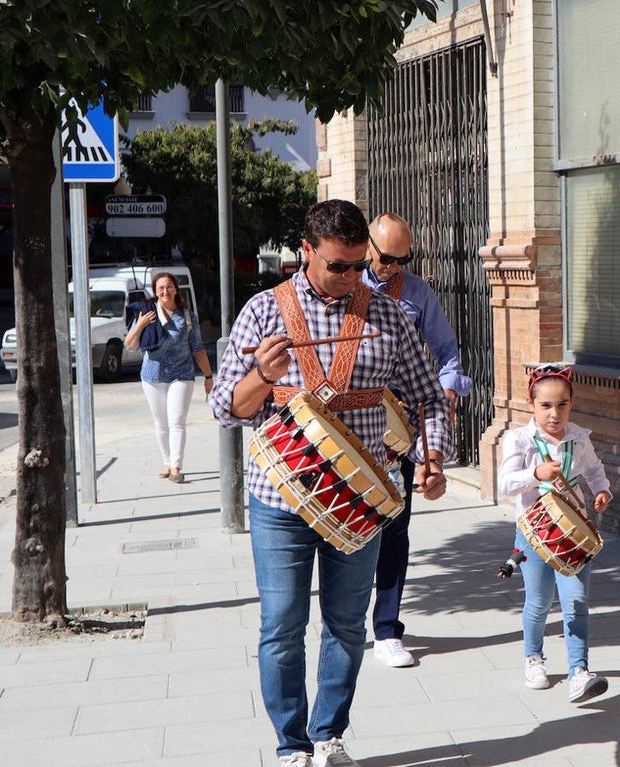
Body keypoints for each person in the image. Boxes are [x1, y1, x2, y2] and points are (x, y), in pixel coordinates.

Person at [208, 199, 452, 767]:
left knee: (346, 623)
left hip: (361, 501)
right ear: (306, 252)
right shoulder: (263, 311)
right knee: (282, 626)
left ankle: (328, 736)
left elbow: (427, 394)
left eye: (360, 265)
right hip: (280, 499)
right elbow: (225, 409)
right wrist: (263, 375)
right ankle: (291, 746)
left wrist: (432, 455)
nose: (352, 278)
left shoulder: (388, 316)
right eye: (339, 266)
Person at [362, 212, 473, 668]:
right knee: (349, 527)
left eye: (400, 259)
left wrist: (448, 388)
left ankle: (387, 629)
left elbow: (448, 352)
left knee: (395, 528)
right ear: (368, 245)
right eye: (385, 257)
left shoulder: (416, 294)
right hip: (350, 421)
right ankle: (344, 623)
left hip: (398, 429)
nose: (390, 266)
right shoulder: (345, 284)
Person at [497, 364, 612, 704]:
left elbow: (593, 469)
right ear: (531, 404)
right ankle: (534, 657)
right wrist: (535, 472)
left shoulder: (579, 437)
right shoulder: (519, 439)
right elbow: (505, 483)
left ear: (571, 404)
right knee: (539, 601)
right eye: (546, 405)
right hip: (533, 532)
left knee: (576, 600)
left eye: (562, 405)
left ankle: (580, 670)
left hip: (573, 529)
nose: (554, 413)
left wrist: (602, 490)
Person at [125, 271, 213, 483]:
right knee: (160, 422)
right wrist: (141, 325)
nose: (165, 291)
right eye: (161, 288)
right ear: (155, 291)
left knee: (177, 421)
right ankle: (166, 461)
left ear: (176, 289)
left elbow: (197, 347)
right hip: (152, 376)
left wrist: (209, 376)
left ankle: (176, 466)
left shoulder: (187, 316)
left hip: (181, 374)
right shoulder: (146, 313)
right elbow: (130, 344)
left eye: (169, 286)